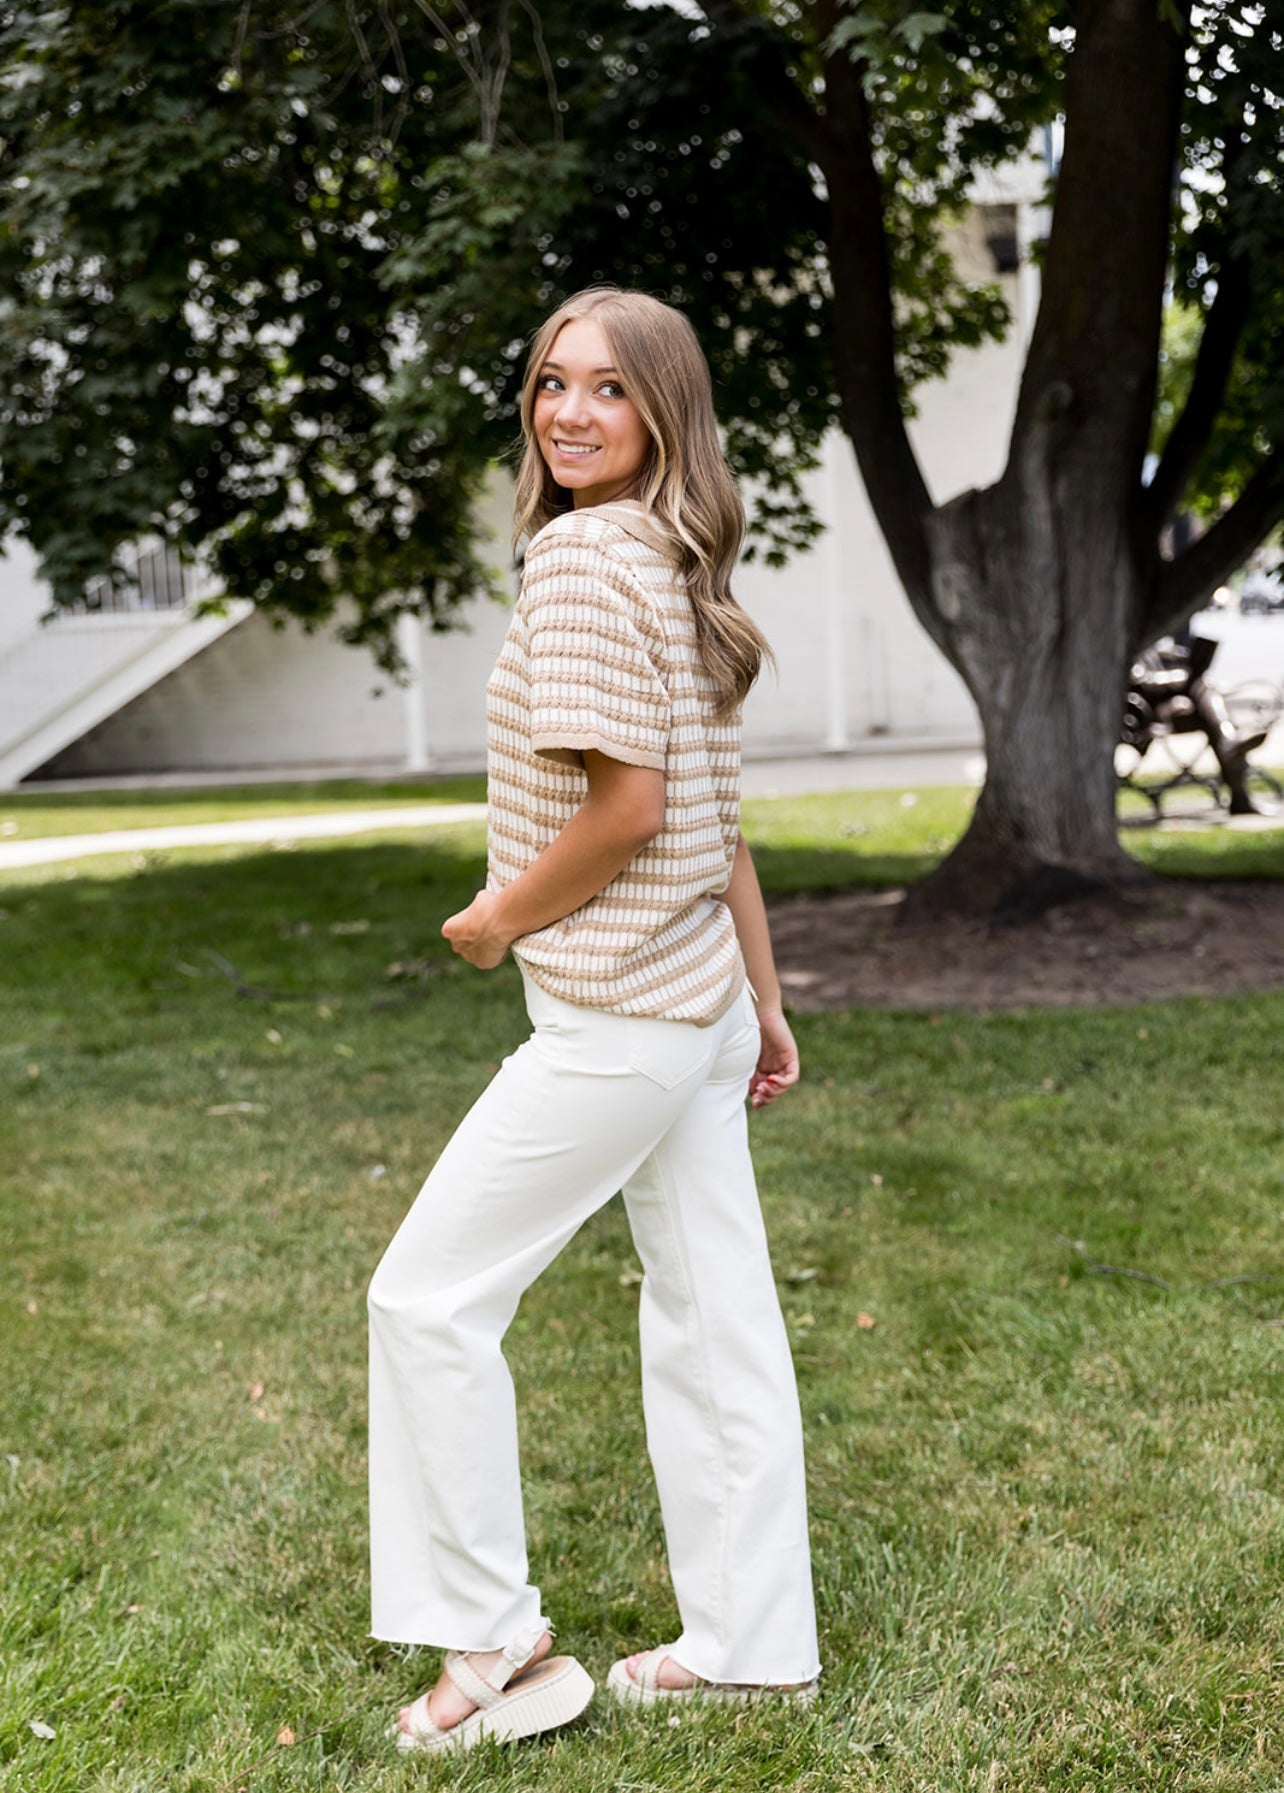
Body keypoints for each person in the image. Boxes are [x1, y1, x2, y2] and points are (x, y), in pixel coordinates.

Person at [367, 286, 820, 1754]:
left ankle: (499, 1648)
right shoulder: (670, 558)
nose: (568, 412)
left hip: (620, 1016)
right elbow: (716, 816)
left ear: (660, 413)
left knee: (425, 1298)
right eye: (552, 381)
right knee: (714, 1323)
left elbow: (633, 809)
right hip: (691, 1007)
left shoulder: (577, 563)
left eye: (608, 391)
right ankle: (751, 1644)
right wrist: (760, 997)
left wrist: (500, 916)